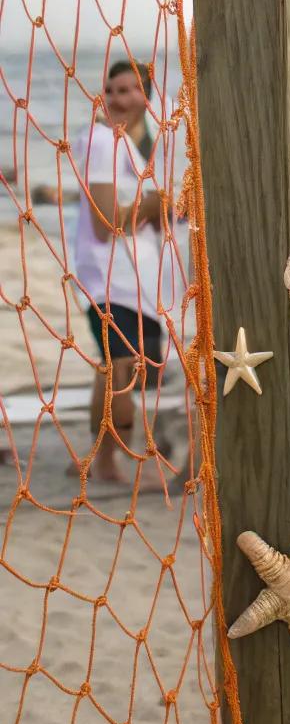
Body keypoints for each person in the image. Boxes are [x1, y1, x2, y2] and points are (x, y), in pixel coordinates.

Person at [72, 58, 167, 487]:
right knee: (119, 368)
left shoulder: (128, 144)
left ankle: (107, 456)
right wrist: (154, 204)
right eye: (111, 91)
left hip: (140, 281)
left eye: (128, 90)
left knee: (130, 370)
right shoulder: (101, 141)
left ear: (146, 97)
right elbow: (105, 221)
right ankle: (105, 463)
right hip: (109, 278)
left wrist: (163, 210)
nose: (117, 99)